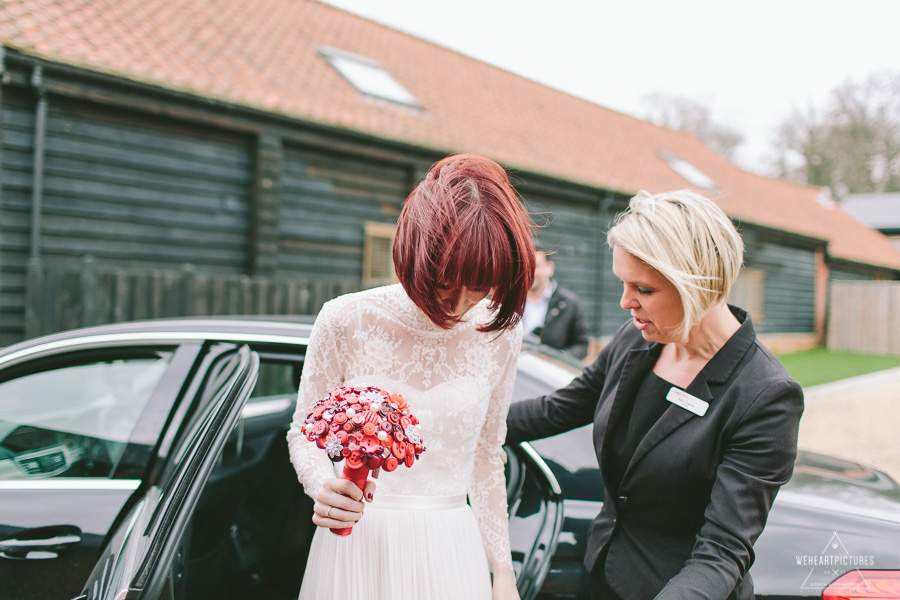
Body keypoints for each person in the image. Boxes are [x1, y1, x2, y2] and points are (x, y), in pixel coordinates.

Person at [507, 190, 804, 600]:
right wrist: (456, 427)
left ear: (698, 285)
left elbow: (721, 552)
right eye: (623, 283)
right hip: (604, 574)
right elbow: (560, 408)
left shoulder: (766, 396)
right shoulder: (636, 337)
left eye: (644, 289)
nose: (626, 302)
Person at [287, 154, 534, 600]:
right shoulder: (346, 319)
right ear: (416, 254)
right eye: (445, 283)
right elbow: (304, 432)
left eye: (479, 285)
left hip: (451, 550)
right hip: (357, 544)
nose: (458, 305)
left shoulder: (502, 333)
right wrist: (323, 486)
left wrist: (503, 572)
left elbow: (485, 454)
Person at [523, 246, 591, 359]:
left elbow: (582, 345)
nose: (530, 272)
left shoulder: (569, 303)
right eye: (526, 265)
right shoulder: (509, 301)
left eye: (536, 266)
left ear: (550, 268)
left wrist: (557, 359)